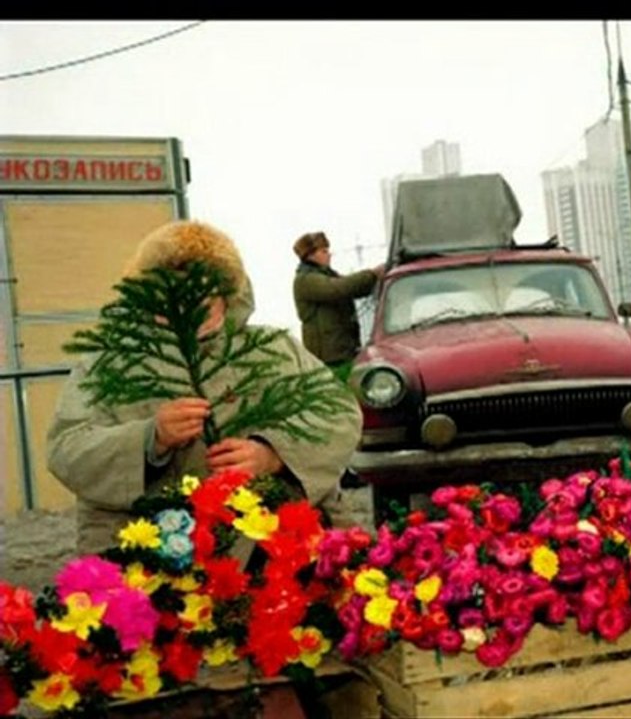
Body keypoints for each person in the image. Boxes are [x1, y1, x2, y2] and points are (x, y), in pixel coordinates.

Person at [47, 220, 364, 555]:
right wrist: (149, 438)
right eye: (174, 286)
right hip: (153, 563)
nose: (191, 300)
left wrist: (273, 454)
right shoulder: (107, 364)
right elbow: (67, 448)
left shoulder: (275, 349)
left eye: (204, 288)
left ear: (228, 292)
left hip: (279, 554)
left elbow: (340, 413)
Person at [292, 231, 383, 382]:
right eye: (324, 251)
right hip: (330, 359)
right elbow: (339, 288)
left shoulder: (325, 275)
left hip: (343, 354)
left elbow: (350, 286)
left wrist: (374, 279)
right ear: (310, 255)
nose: (329, 254)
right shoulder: (305, 280)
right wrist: (372, 274)